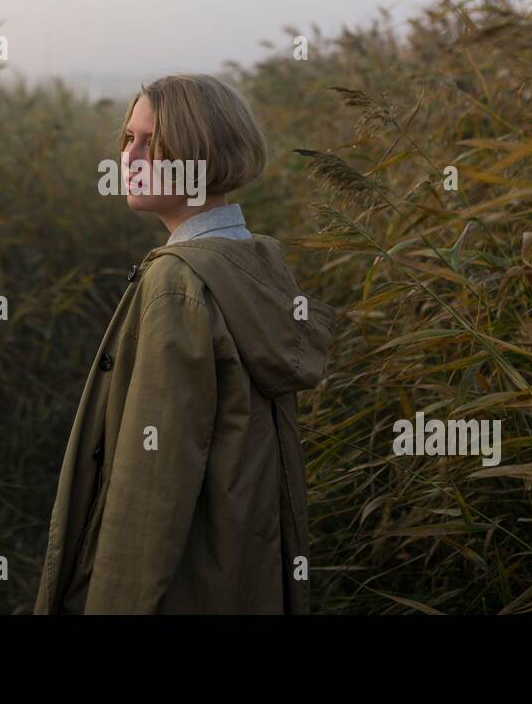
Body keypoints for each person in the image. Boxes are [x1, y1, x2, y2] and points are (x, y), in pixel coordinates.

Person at [34, 73, 338, 614]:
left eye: (152, 142)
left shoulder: (177, 284)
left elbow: (151, 488)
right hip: (243, 576)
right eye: (128, 139)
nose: (129, 157)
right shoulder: (255, 261)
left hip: (182, 589)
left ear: (202, 155)